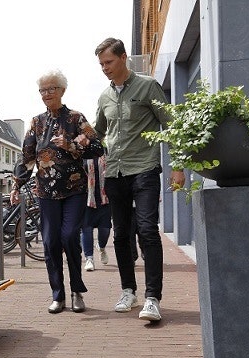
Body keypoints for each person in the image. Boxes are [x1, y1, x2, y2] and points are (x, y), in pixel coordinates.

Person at [93, 38, 185, 322]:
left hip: (144, 169)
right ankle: (128, 291)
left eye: (108, 62)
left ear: (123, 58)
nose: (104, 69)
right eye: (101, 65)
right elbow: (97, 135)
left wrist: (178, 165)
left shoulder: (148, 86)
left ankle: (153, 298)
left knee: (146, 230)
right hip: (115, 174)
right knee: (120, 235)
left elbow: (172, 125)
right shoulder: (104, 98)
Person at [11, 69, 104, 314]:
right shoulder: (37, 122)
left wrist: (71, 145)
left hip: (74, 190)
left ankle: (76, 291)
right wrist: (16, 186)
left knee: (70, 236)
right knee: (51, 241)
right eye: (42, 90)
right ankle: (58, 294)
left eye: (51, 89)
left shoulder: (76, 119)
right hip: (46, 192)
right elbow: (27, 158)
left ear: (62, 90)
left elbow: (97, 148)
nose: (46, 94)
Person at [81, 155, 111, 271]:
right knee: (86, 229)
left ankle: (101, 247)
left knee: (105, 230)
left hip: (104, 198)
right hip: (87, 198)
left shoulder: (105, 152)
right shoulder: (82, 153)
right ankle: (89, 258)